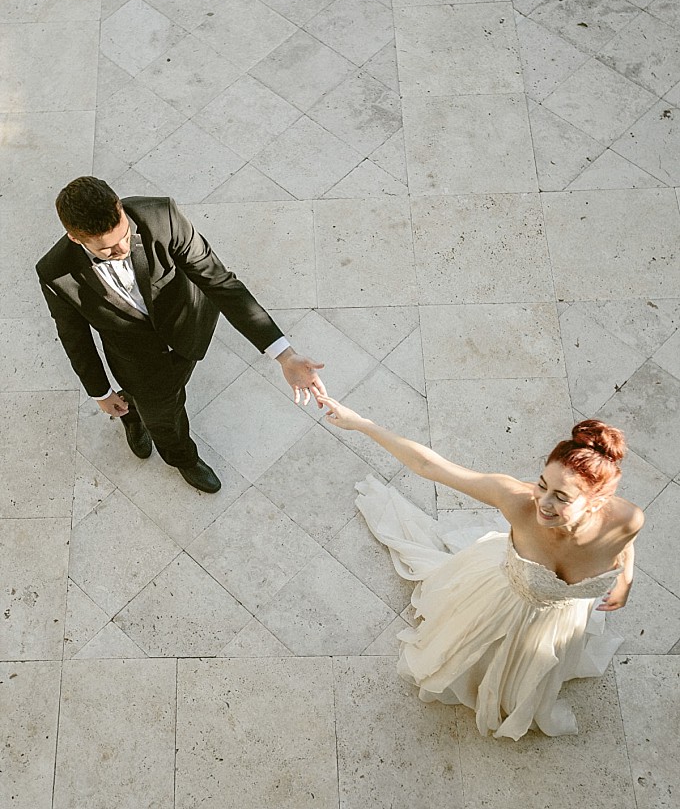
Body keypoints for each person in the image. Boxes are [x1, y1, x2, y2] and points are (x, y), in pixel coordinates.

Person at [320, 396, 643, 740]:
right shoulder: (517, 501)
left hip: (560, 621)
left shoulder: (627, 519)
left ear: (597, 502)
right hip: (503, 600)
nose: (543, 504)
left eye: (562, 498)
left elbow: (626, 546)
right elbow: (430, 466)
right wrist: (361, 423)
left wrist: (624, 582)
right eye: (542, 485)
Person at [37, 177, 326, 493]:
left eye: (124, 235)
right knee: (165, 418)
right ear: (75, 239)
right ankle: (182, 457)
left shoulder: (162, 216)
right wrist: (102, 393)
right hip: (137, 361)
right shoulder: (55, 273)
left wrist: (285, 355)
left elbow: (220, 282)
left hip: (189, 331)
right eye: (106, 248)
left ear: (120, 208)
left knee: (172, 386)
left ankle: (132, 408)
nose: (122, 249)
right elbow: (74, 337)